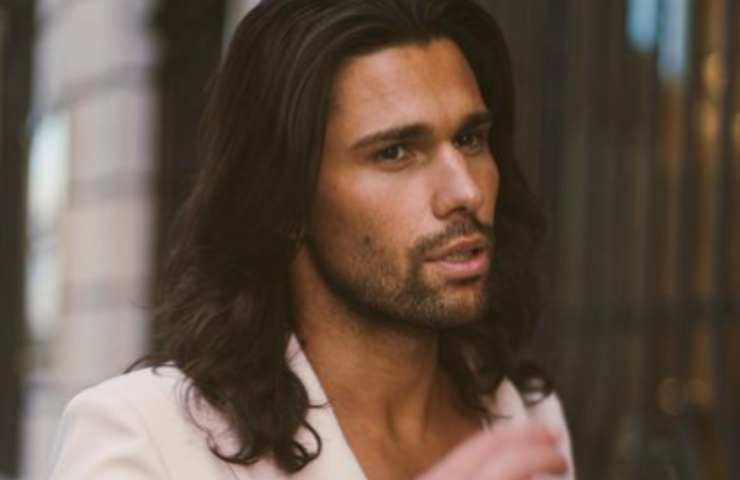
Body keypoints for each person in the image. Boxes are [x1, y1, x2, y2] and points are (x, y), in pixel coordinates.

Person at [49, 0, 575, 478]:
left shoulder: (525, 417)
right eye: (395, 152)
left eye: (470, 138)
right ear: (285, 201)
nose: (465, 191)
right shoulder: (145, 438)